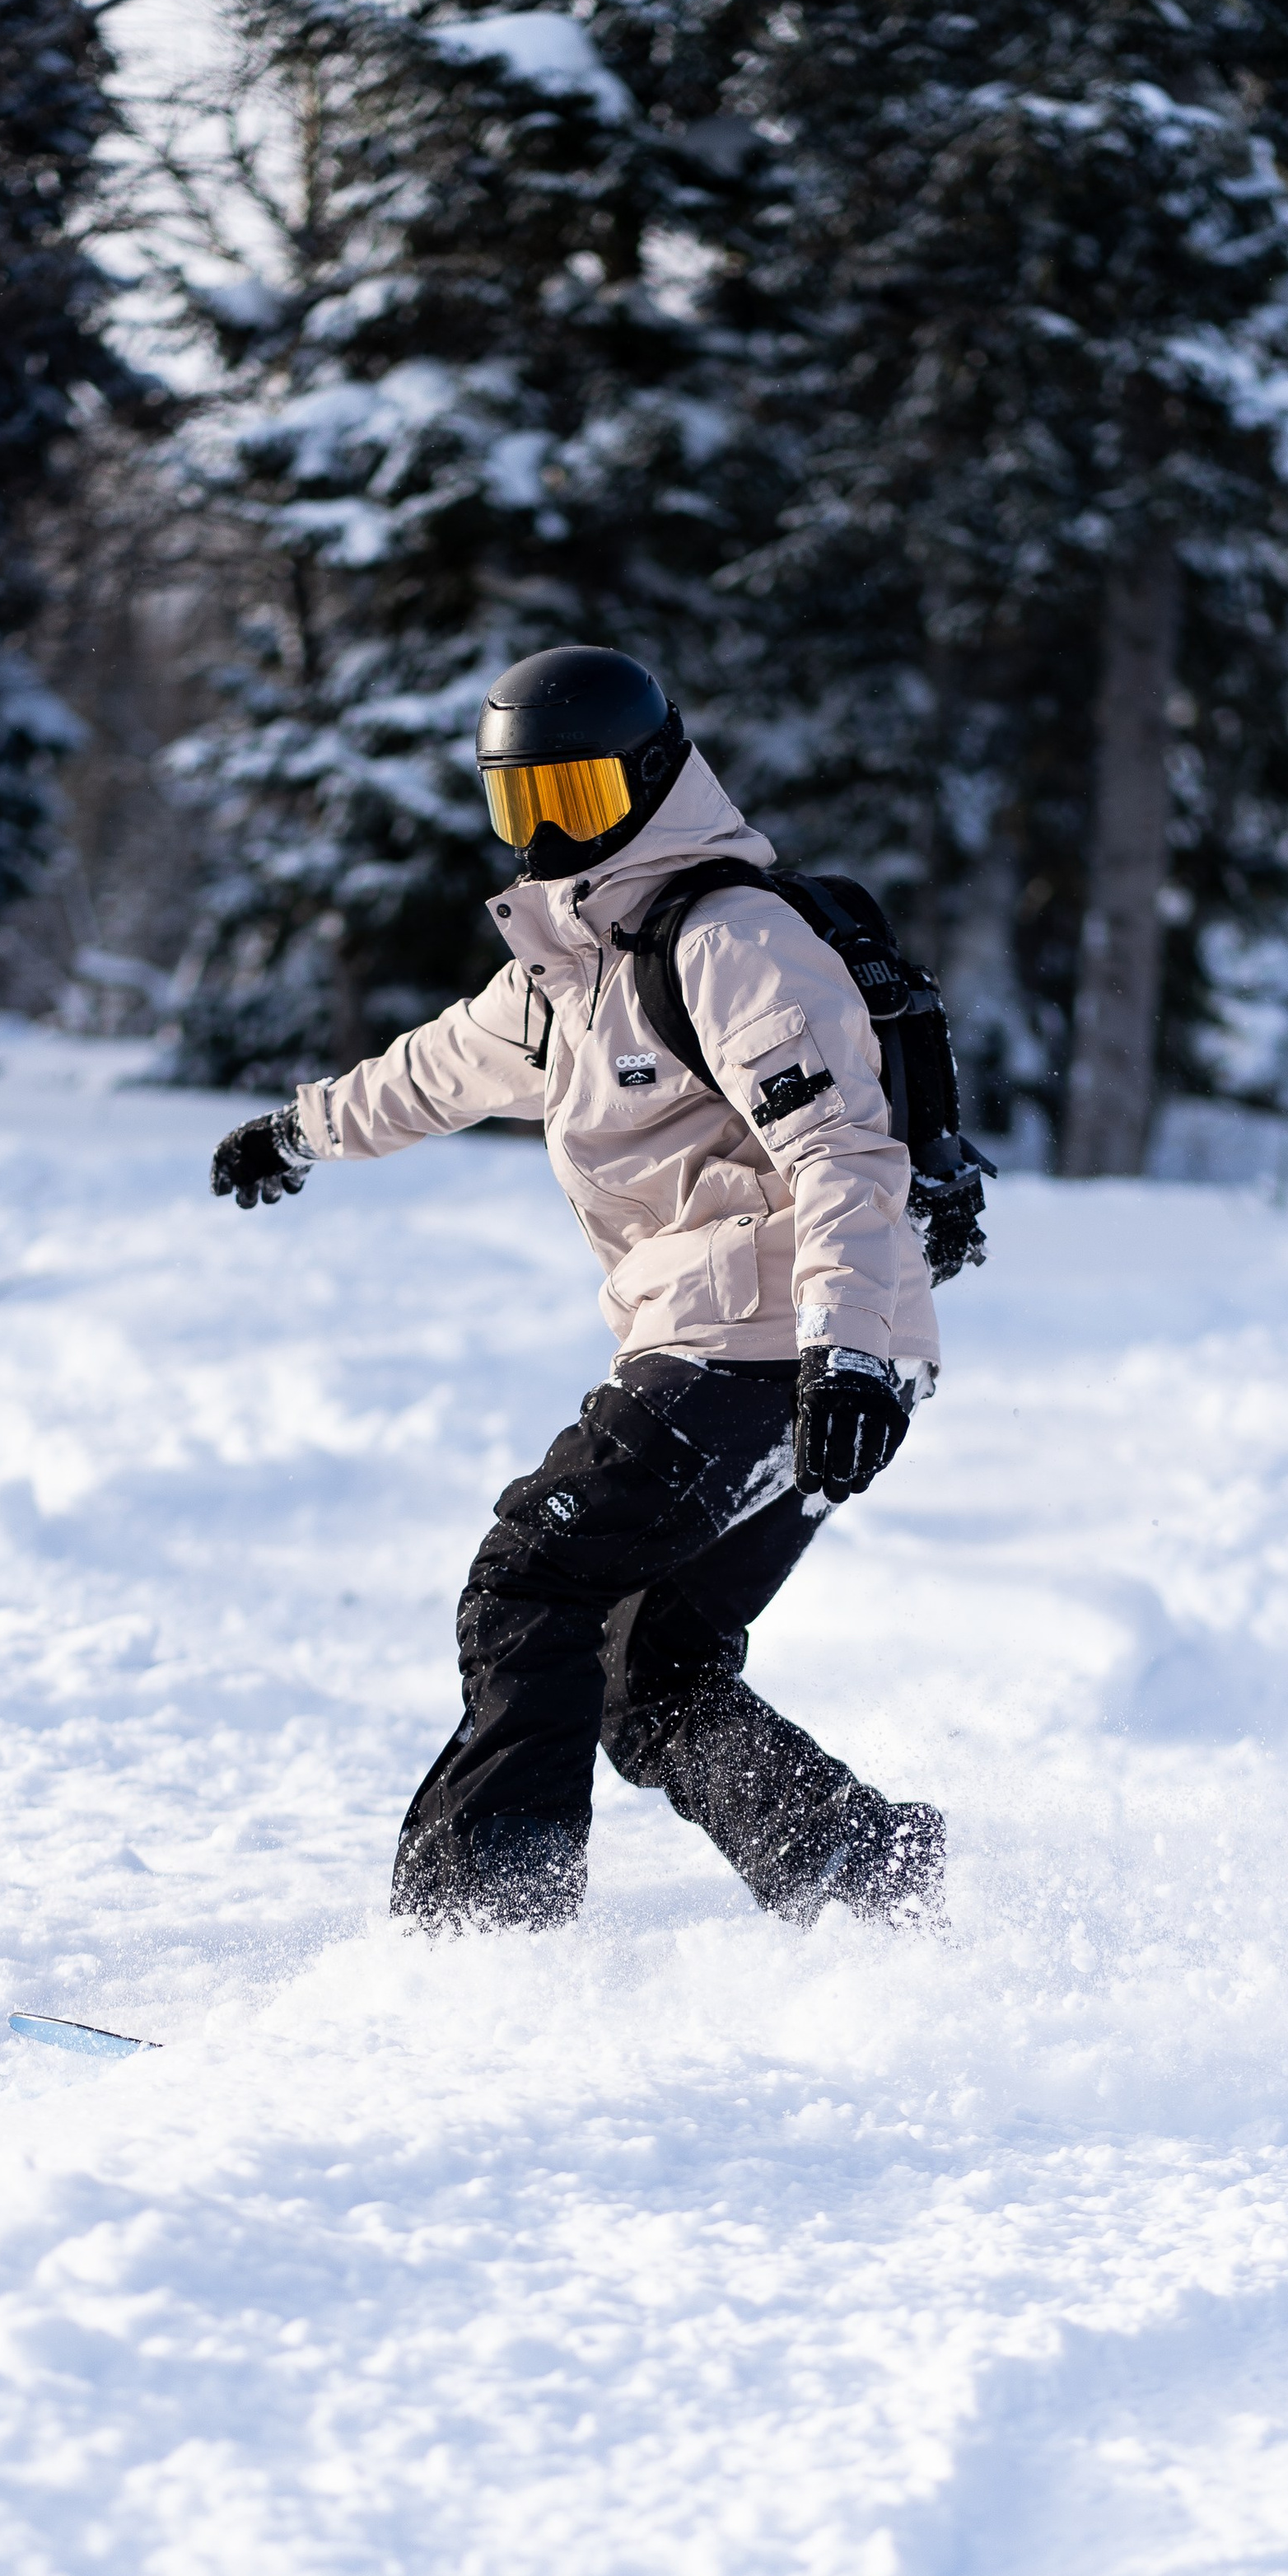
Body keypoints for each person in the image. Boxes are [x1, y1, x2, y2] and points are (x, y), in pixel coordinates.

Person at [211, 644, 957, 1933]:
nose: (552, 835)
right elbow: (431, 1073)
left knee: (528, 1582)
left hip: (770, 1347)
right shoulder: (571, 974)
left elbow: (841, 1153)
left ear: (657, 781)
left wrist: (850, 1358)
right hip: (781, 1352)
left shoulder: (734, 942)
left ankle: (484, 1935)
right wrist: (298, 1132)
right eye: (524, 805)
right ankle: (867, 1885)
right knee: (648, 1672)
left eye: (583, 797)